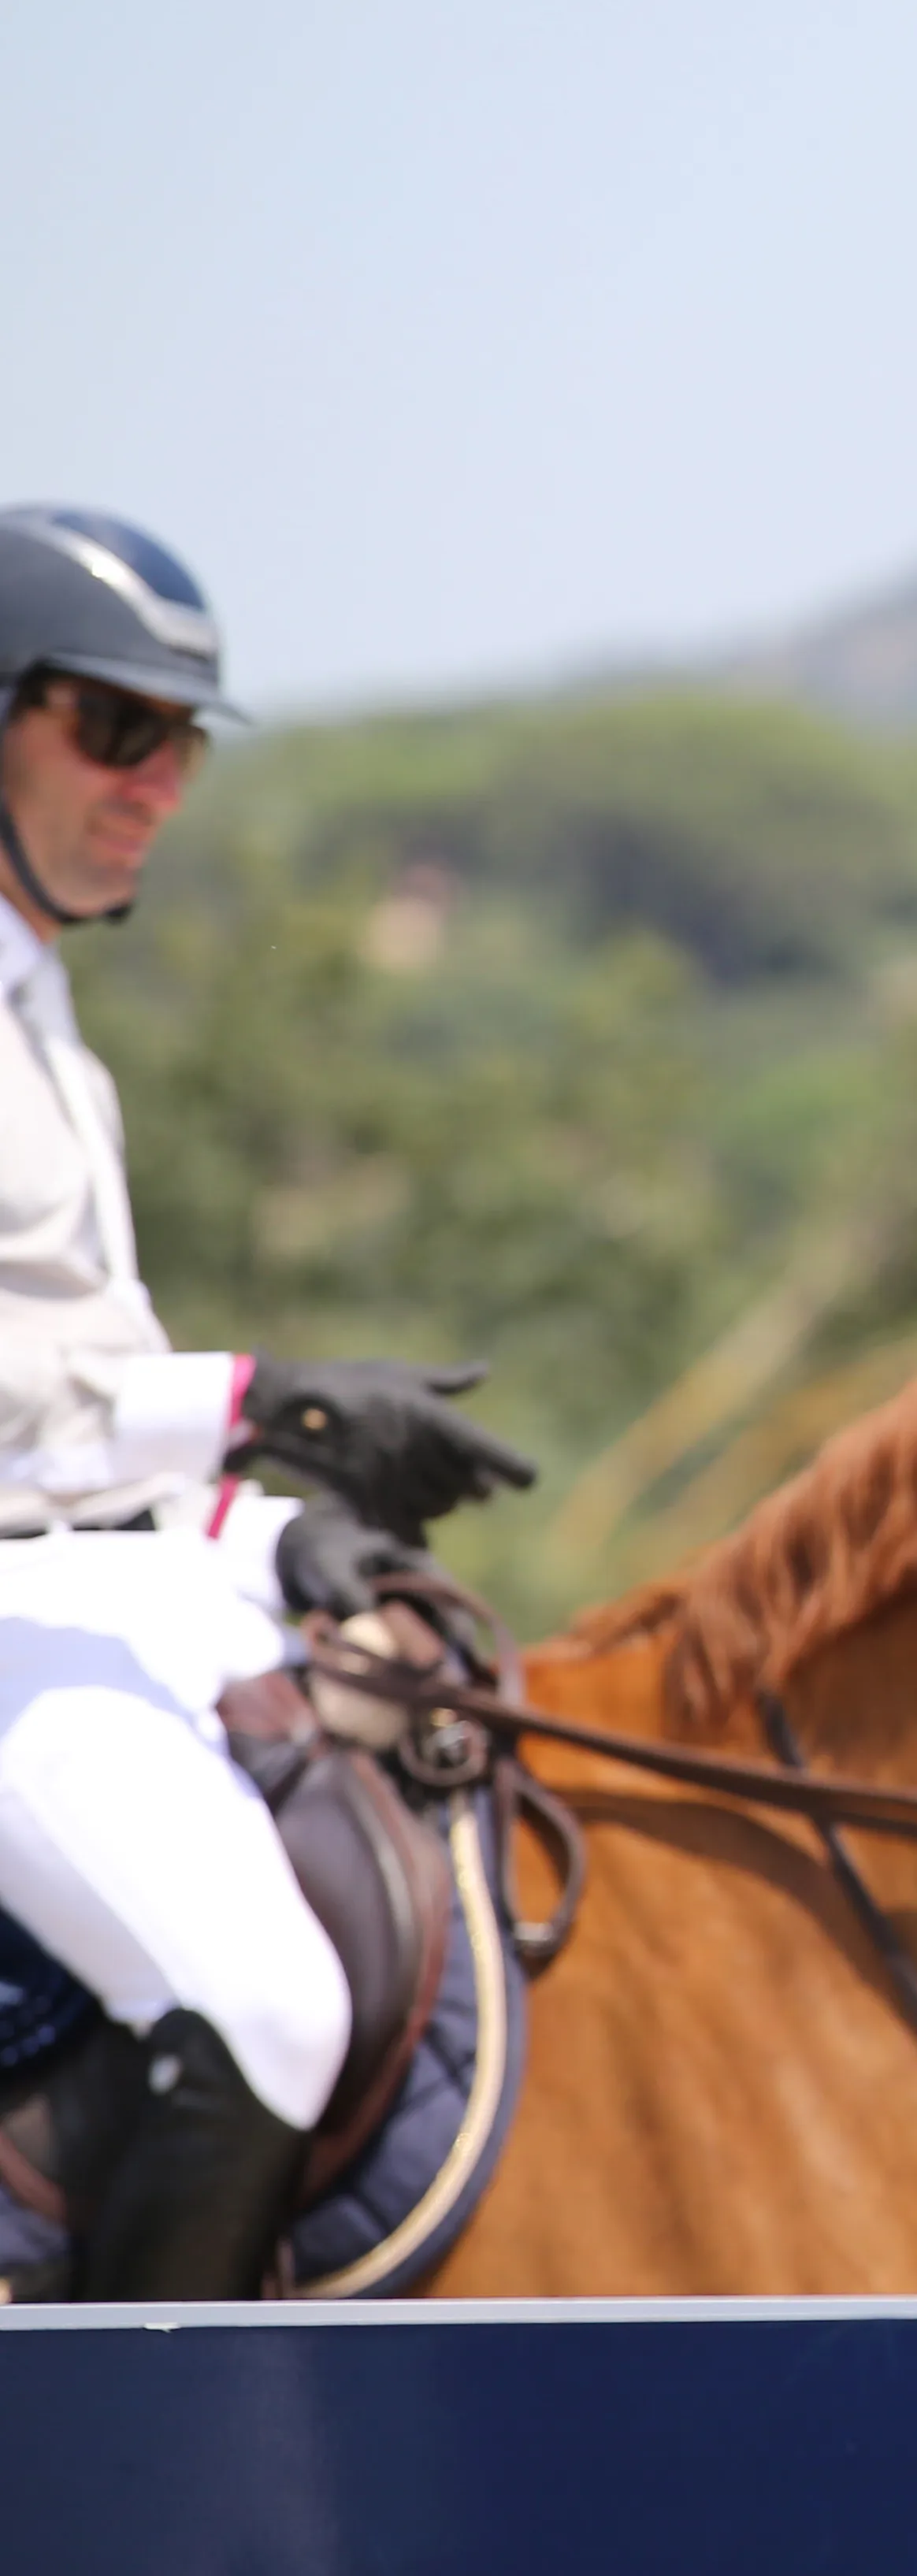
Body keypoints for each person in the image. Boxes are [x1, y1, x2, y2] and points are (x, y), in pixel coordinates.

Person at [0, 506, 536, 2299]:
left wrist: (278, 1518)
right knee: (259, 1996)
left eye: (184, 744)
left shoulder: (44, 1016)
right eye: (114, 727)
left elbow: (91, 1421)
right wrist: (258, 1402)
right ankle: (108, 2494)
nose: (158, 780)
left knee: (436, 1685)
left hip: (62, 1581)